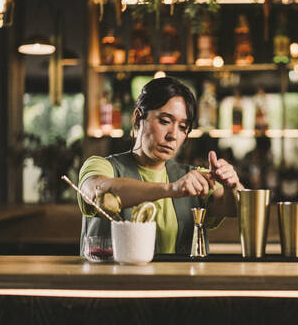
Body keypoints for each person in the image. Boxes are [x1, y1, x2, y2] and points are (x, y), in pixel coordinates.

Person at [78, 77, 243, 255]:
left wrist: (232, 186)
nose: (173, 135)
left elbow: (234, 208)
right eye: (164, 121)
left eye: (182, 127)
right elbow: (96, 193)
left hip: (177, 282)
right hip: (112, 281)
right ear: (138, 117)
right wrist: (170, 189)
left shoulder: (194, 178)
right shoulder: (101, 166)